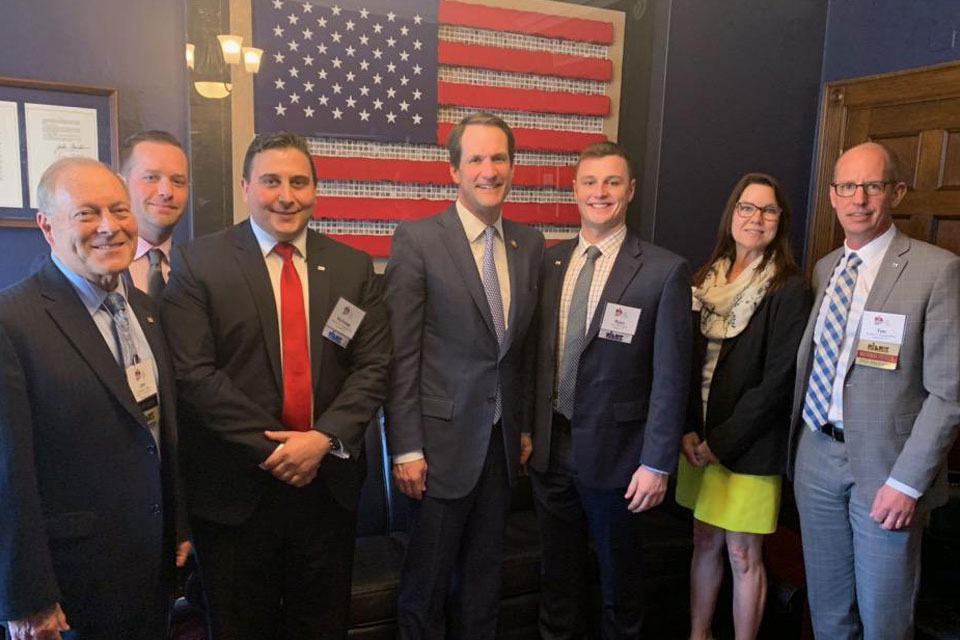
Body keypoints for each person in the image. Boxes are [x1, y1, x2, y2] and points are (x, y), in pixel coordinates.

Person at [162, 131, 390, 639]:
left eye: (298, 181)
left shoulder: (353, 267)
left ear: (315, 189)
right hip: (235, 491)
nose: (286, 195)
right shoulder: (201, 263)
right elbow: (194, 376)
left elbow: (374, 365)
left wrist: (320, 440)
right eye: (270, 181)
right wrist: (280, 450)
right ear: (246, 187)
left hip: (327, 486)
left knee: (322, 624)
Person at [0, 157, 183, 639]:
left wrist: (177, 523)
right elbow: (7, 473)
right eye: (87, 214)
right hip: (70, 587)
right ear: (47, 225)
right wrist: (26, 598)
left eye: (119, 210)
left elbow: (157, 429)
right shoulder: (11, 321)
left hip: (150, 569)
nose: (110, 227)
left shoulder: (145, 310)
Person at [788, 142, 960, 639]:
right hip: (816, 457)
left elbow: (948, 393)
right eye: (847, 186)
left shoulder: (936, 270)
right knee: (827, 611)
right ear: (832, 196)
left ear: (896, 192)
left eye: (873, 186)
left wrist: (907, 483)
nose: (858, 198)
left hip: (887, 472)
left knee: (885, 618)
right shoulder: (825, 269)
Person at [384, 112, 544, 640]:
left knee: (483, 587)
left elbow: (517, 354)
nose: (489, 169)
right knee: (425, 589)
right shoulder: (419, 239)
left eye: (499, 158)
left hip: (499, 450)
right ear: (454, 170)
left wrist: (522, 428)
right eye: (475, 158)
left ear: (512, 167)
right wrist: (404, 446)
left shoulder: (530, 243)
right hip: (436, 449)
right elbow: (401, 352)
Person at [528, 141, 691, 639]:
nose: (601, 192)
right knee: (556, 579)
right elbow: (531, 359)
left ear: (631, 190)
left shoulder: (663, 271)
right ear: (574, 190)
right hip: (550, 449)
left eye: (613, 182)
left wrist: (657, 462)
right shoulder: (549, 262)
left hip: (621, 458)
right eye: (591, 182)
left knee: (620, 586)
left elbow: (672, 376)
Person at [675, 173, 811, 640]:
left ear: (781, 221)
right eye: (747, 208)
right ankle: (699, 634)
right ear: (731, 215)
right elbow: (687, 365)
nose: (756, 218)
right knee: (704, 541)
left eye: (768, 210)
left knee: (743, 554)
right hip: (699, 442)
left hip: (748, 448)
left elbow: (779, 381)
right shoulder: (703, 280)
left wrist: (722, 442)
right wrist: (689, 430)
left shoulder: (789, 288)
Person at [119, 130, 189, 298]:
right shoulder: (94, 267)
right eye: (151, 178)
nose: (166, 191)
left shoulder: (198, 267)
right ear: (121, 185)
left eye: (177, 181)